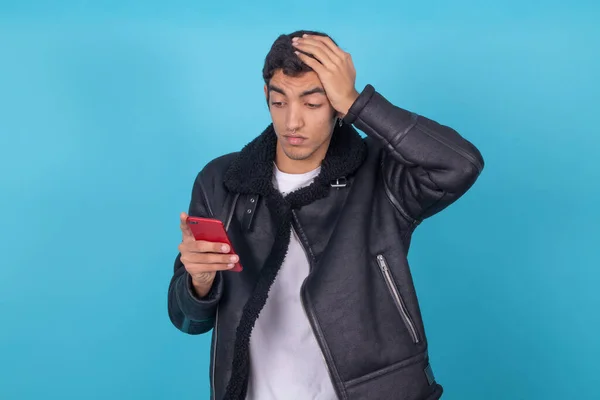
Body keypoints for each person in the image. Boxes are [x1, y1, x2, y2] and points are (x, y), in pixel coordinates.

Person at [167, 30, 484, 400]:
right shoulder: (221, 181)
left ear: (336, 105)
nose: (292, 122)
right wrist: (198, 283)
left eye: (313, 103)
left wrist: (358, 102)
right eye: (279, 101)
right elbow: (189, 320)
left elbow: (460, 165)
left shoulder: (380, 175)